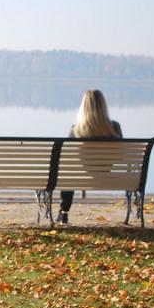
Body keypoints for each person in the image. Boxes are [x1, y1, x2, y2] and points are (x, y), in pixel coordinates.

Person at [58, 89, 123, 224]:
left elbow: (67, 158)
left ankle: (64, 212)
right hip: (107, 176)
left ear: (83, 107)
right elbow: (121, 155)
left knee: (67, 172)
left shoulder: (76, 129)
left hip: (82, 176)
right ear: (103, 106)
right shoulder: (115, 127)